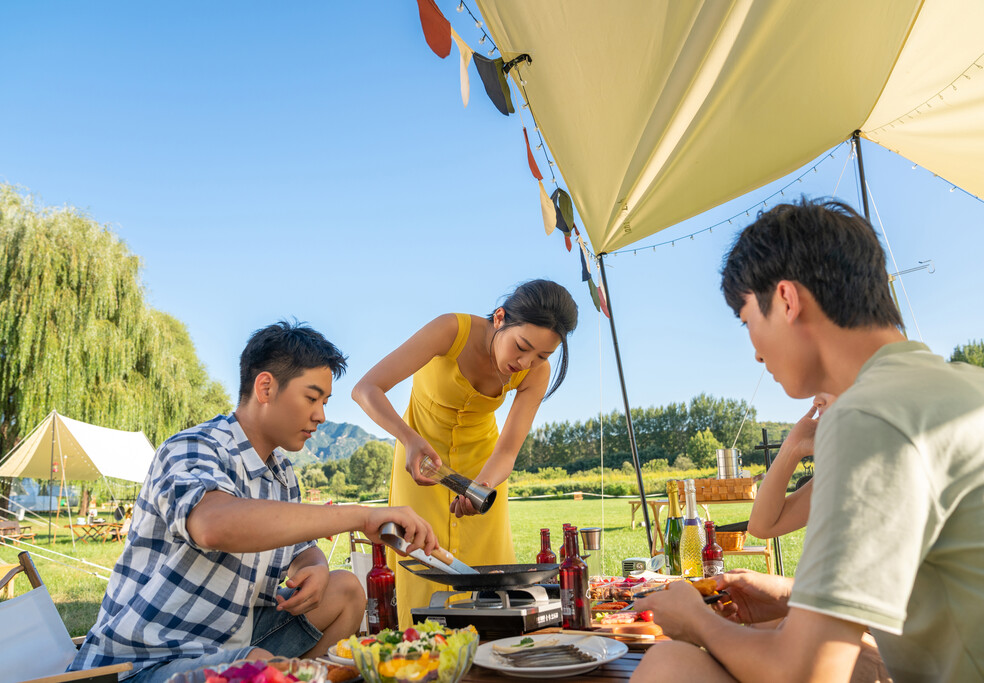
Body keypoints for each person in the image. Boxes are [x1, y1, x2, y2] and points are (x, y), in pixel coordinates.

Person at [632, 199, 984, 682]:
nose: (755, 352)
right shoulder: (962, 387)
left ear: (786, 300)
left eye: (747, 321)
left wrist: (697, 622)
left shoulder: (868, 414)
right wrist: (793, 597)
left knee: (670, 664)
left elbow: (804, 674)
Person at [70, 322, 439, 682]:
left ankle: (304, 677)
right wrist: (361, 516)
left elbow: (301, 548)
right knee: (259, 667)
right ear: (265, 387)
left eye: (324, 402)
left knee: (344, 590)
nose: (321, 416)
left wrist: (315, 566)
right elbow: (214, 525)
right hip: (140, 662)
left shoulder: (282, 476)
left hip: (228, 640)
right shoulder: (194, 447)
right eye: (311, 398)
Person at [352, 279, 578, 625]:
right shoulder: (451, 330)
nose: (526, 362)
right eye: (521, 347)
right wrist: (408, 439)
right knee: (423, 565)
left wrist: (482, 486)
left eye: (542, 356)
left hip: (484, 466)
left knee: (489, 575)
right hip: (421, 461)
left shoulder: (535, 371)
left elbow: (507, 450)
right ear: (500, 318)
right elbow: (366, 389)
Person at [746, 392, 835, 539]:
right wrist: (791, 449)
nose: (816, 401)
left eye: (828, 387)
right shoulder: (839, 472)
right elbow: (760, 527)